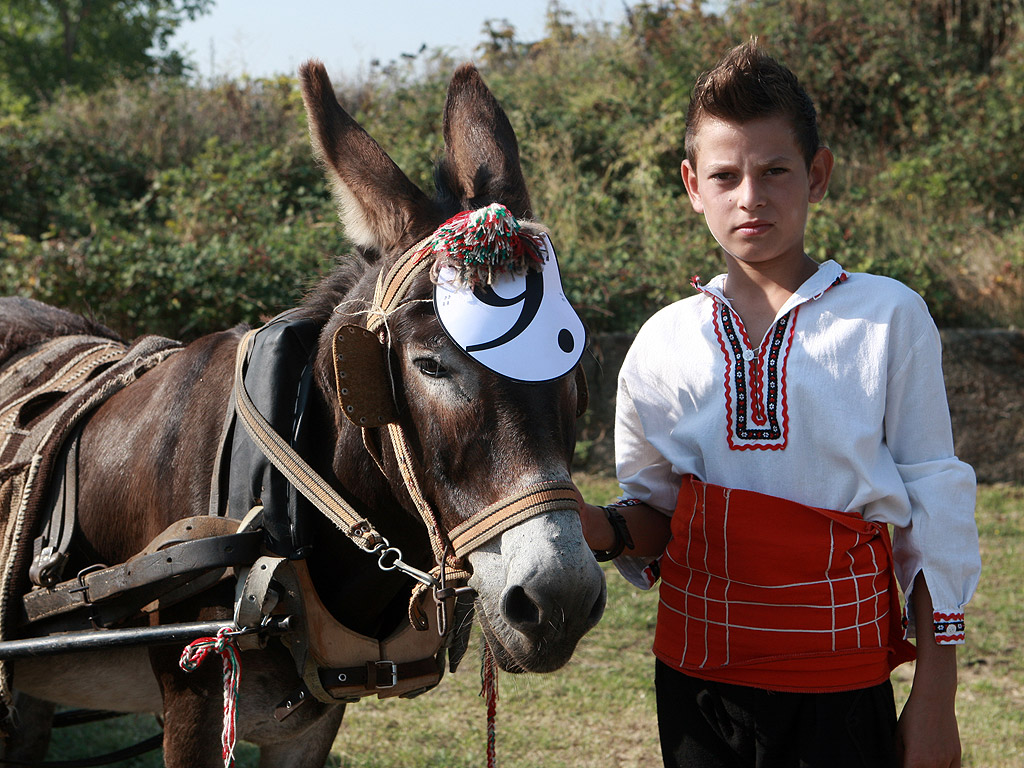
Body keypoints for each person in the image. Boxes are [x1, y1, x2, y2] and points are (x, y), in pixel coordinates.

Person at [577, 39, 981, 768]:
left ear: (817, 174)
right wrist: (593, 528)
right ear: (692, 185)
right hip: (697, 683)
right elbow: (658, 520)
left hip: (840, 683)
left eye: (775, 171)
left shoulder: (889, 317)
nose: (751, 197)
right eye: (725, 176)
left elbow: (935, 500)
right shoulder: (663, 341)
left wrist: (935, 696)